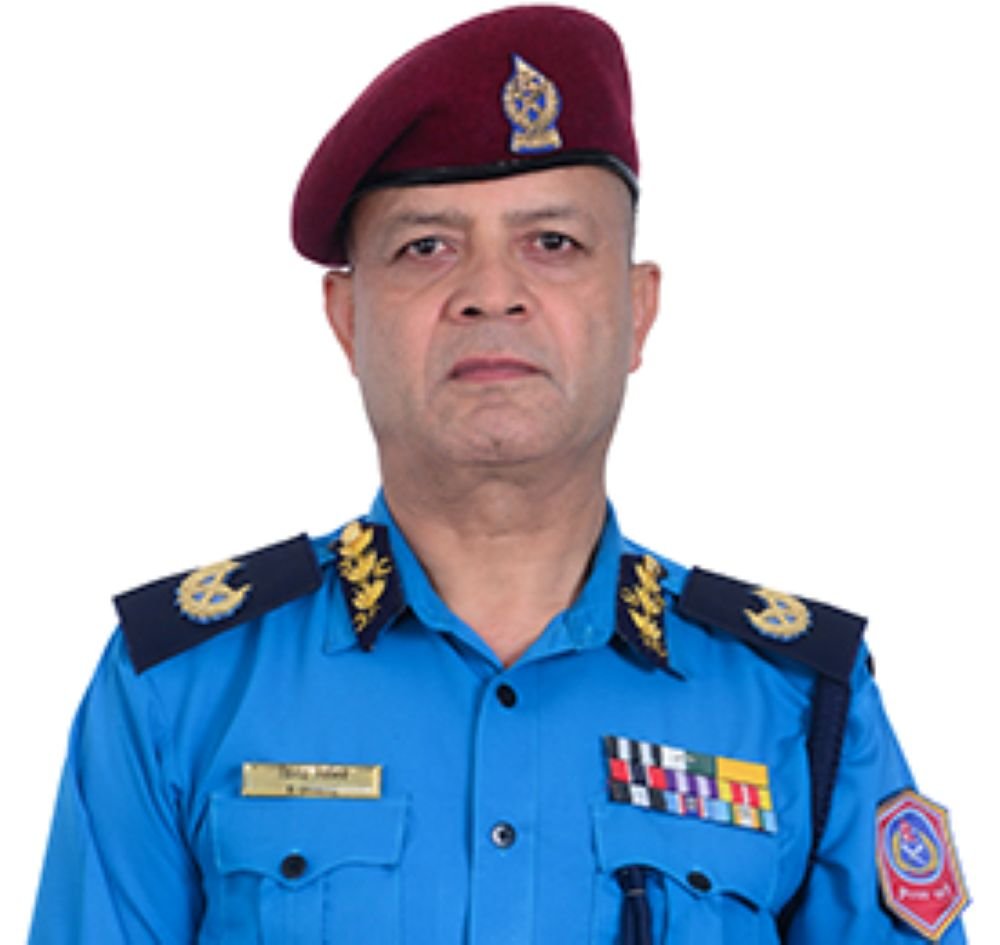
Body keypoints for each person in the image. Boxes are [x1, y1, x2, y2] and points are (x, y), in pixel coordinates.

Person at [29, 6, 969, 943]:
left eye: (552, 242)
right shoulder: (181, 687)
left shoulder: (798, 701)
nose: (491, 293)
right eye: (426, 246)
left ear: (637, 310)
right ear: (347, 319)